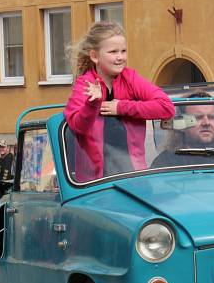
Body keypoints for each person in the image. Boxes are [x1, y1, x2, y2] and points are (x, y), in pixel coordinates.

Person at [64, 21, 175, 182]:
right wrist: (92, 104)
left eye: (123, 51)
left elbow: (166, 107)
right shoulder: (85, 83)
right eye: (113, 52)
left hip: (133, 177)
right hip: (95, 183)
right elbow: (77, 126)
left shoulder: (130, 78)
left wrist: (121, 107)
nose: (120, 57)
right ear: (95, 56)